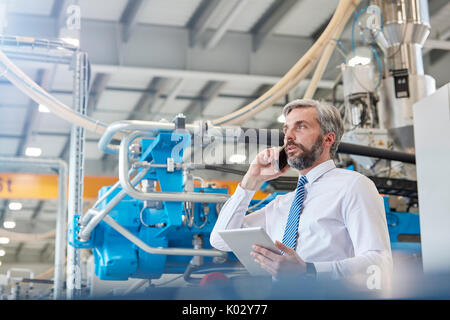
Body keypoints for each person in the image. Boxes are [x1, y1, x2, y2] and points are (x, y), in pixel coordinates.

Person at [210, 98, 393, 293]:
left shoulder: (353, 186)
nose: (289, 136)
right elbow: (221, 240)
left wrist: (309, 270)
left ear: (328, 139)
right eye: (286, 129)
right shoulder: (281, 204)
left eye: (301, 127)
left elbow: (379, 263)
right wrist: (251, 180)